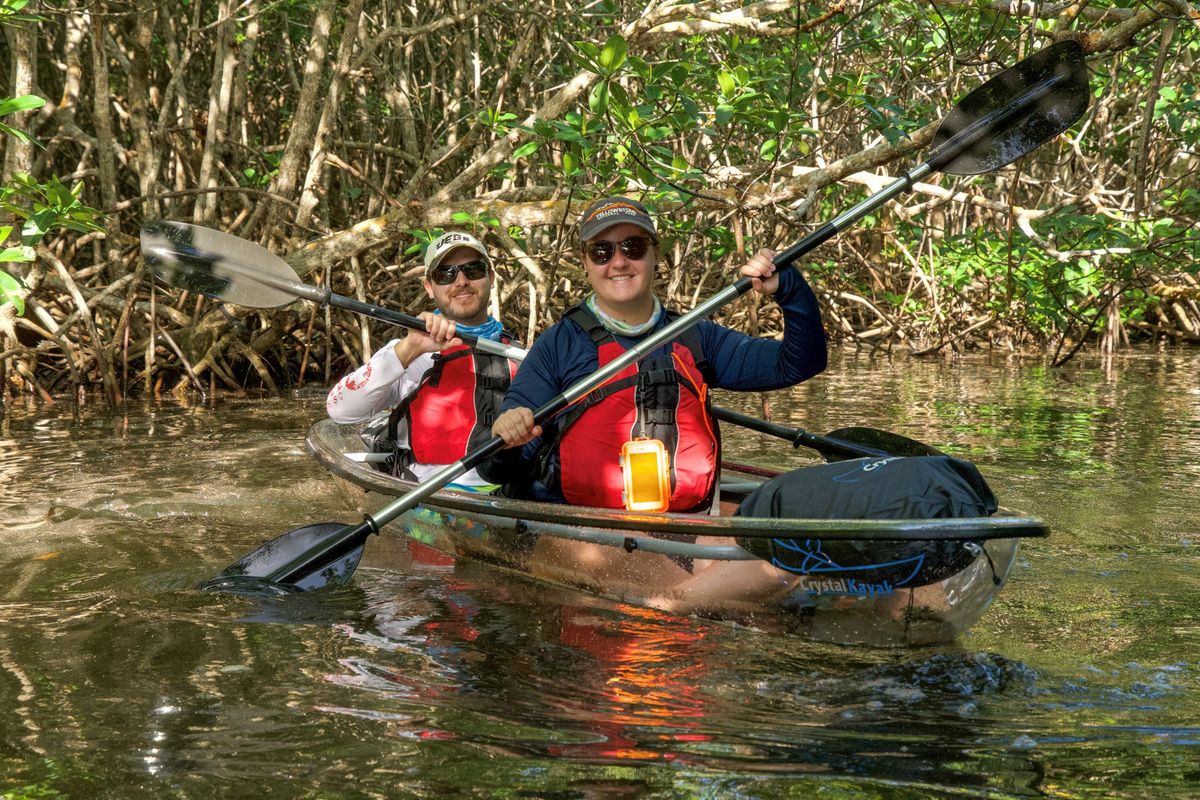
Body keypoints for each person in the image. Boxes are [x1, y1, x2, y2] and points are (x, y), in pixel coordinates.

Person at [483, 195, 828, 511]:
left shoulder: (695, 336)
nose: (618, 262)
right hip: (577, 523)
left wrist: (789, 289)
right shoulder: (559, 345)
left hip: (675, 520)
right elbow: (493, 466)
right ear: (586, 264)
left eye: (633, 247)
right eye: (602, 251)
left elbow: (799, 363)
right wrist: (508, 434)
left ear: (654, 255)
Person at [326, 231, 517, 490]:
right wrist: (411, 347)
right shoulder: (409, 352)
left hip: (510, 490)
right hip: (431, 490)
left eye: (473, 269)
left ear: (491, 277)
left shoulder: (520, 355)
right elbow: (339, 410)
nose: (461, 281)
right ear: (429, 287)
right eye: (446, 274)